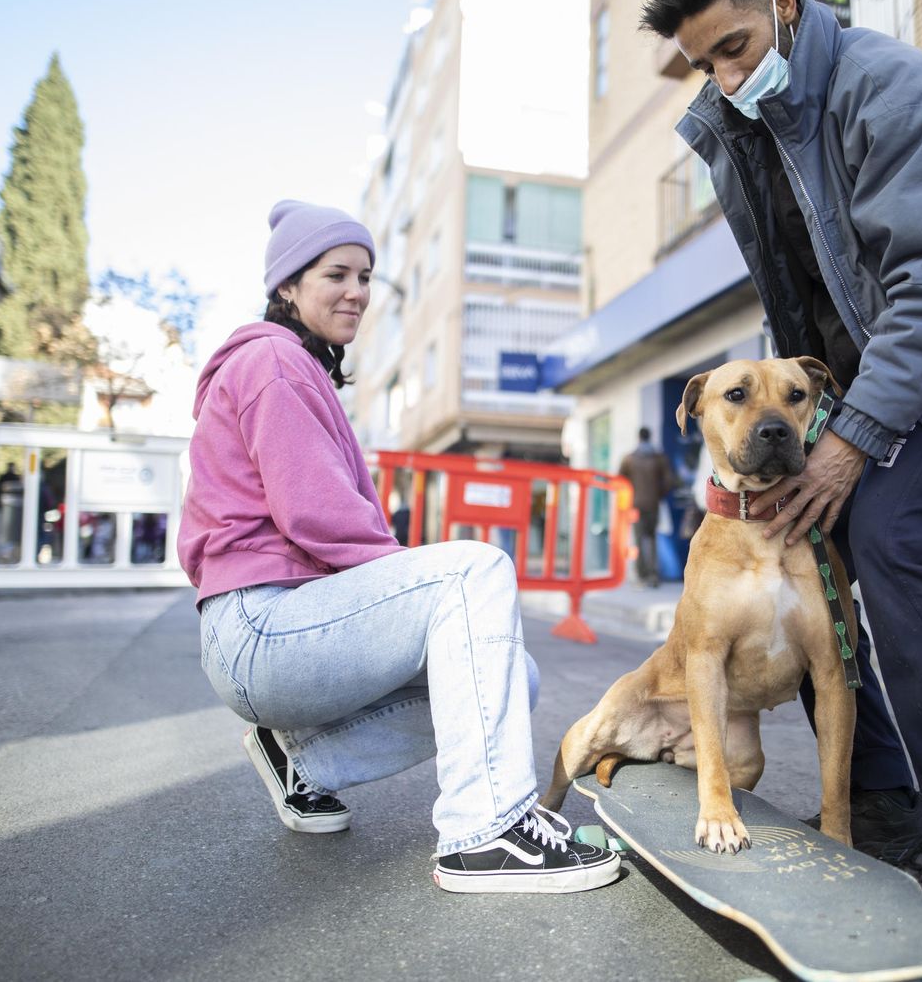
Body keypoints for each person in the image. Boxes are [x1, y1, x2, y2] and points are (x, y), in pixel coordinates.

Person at [642, 0, 922, 931]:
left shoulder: (904, 94)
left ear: (783, 3)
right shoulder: (750, 124)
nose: (724, 76)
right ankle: (875, 794)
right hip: (871, 372)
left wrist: (851, 436)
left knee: (883, 531)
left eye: (734, 47)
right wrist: (813, 424)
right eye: (703, 64)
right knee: (814, 540)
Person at [178, 200, 619, 894]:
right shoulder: (273, 362)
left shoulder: (297, 365)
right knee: (473, 571)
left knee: (510, 675)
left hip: (281, 627)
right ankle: (486, 831)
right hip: (259, 626)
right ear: (288, 285)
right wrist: (429, 585)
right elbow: (318, 516)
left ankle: (305, 762)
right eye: (336, 274)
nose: (356, 290)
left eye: (365, 275)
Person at [618, 427, 675, 587]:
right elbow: (669, 481)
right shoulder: (659, 458)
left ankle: (641, 576)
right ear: (650, 437)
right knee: (652, 538)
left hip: (635, 505)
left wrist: (629, 497)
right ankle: (653, 575)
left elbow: (620, 481)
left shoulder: (629, 459)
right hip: (653, 504)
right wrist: (659, 495)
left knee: (638, 539)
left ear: (638, 437)